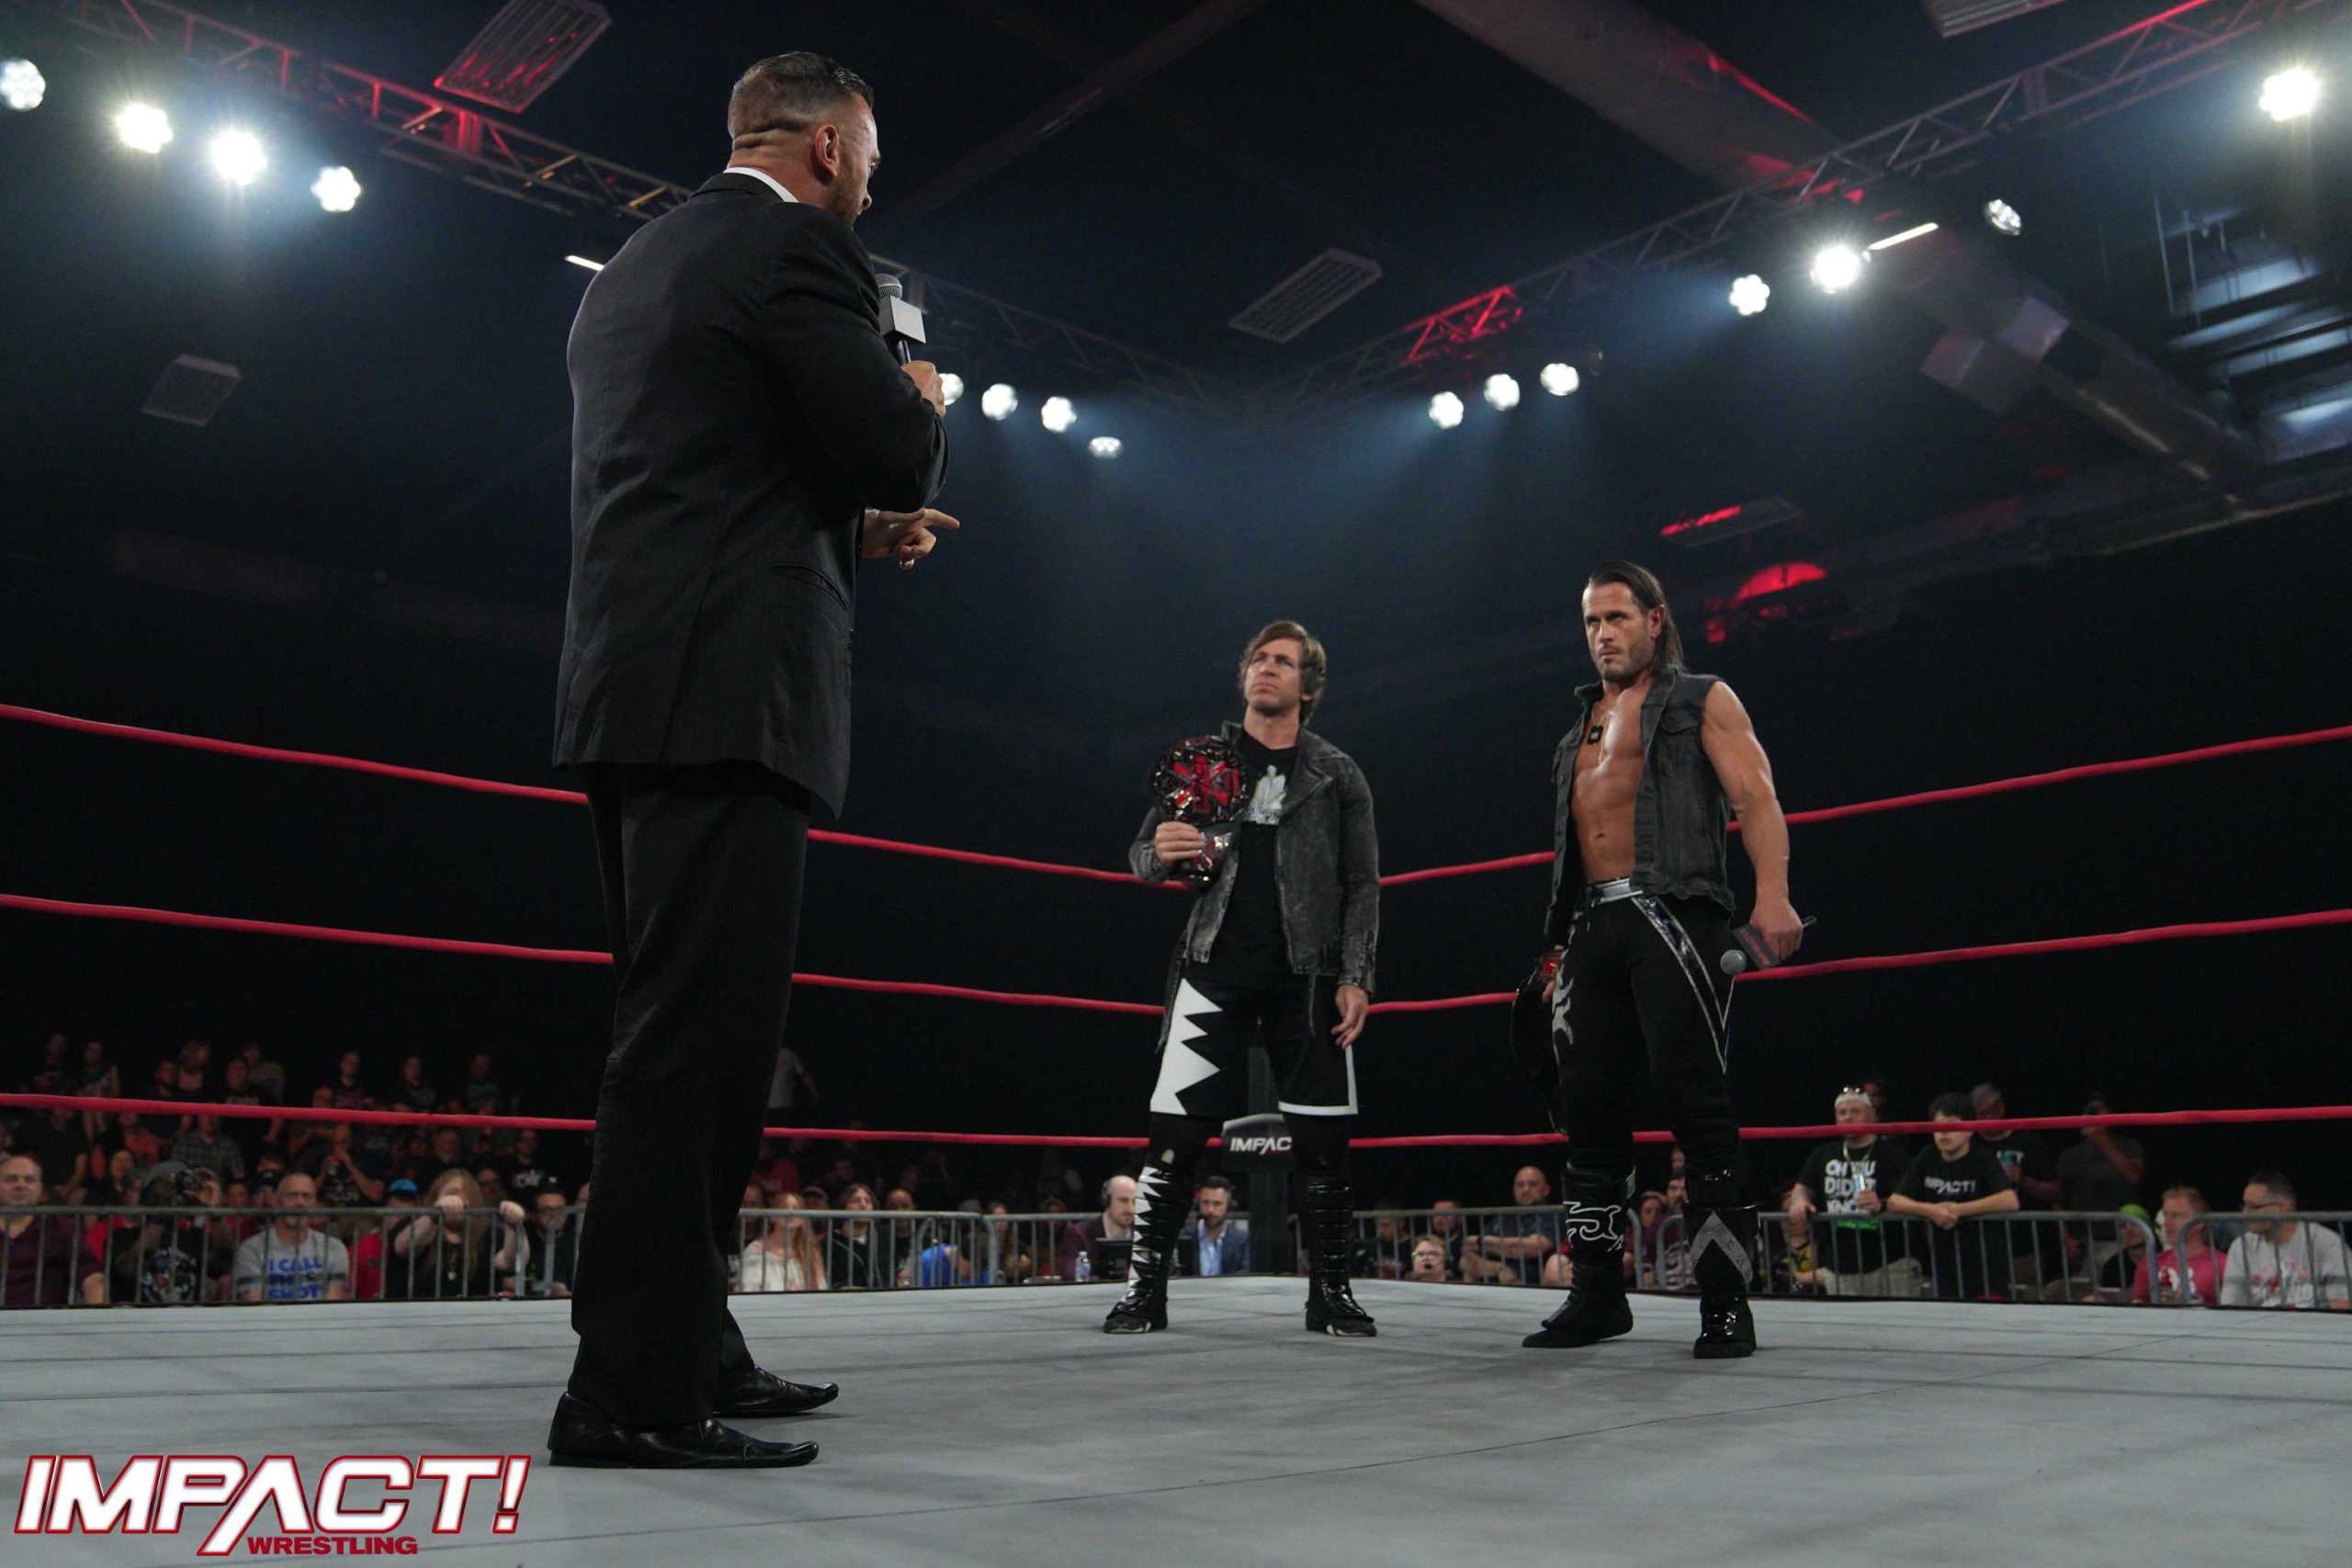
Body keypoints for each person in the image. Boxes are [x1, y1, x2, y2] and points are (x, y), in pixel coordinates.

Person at [548, 49, 952, 1472]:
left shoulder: (637, 265)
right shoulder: (801, 250)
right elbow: (896, 449)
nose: (870, 188)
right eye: (870, 160)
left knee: (699, 1041)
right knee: (693, 1049)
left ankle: (691, 1339)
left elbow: (708, 469)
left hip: (634, 685)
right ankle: (628, 1392)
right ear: (831, 147)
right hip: (726, 695)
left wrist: (846, 531)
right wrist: (925, 393)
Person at [1522, 562, 1802, 1359]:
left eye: (1616, 617)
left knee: (1696, 1103)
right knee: (1587, 1113)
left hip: (1673, 915)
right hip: (1591, 923)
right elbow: (1576, 847)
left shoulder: (1701, 699)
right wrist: (1556, 945)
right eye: (1591, 621)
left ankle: (1724, 1302)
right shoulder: (1578, 728)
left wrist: (1773, 897)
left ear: (1654, 619)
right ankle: (1597, 1295)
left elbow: (1756, 796)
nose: (1602, 634)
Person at [1108, 621, 1381, 1337]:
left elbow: (1362, 882)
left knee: (1323, 1143)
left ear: (1307, 685)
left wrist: (1357, 974)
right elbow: (1143, 852)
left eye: (1283, 661)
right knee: (1173, 1134)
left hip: (1310, 973)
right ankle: (1143, 1293)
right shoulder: (1204, 761)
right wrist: (1162, 851)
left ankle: (1331, 1293)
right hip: (1214, 965)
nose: (1266, 668)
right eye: (1259, 658)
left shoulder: (1337, 773)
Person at [1786, 1087, 1917, 1298]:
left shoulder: (1894, 1155)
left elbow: (1910, 1198)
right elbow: (1802, 1188)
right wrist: (1800, 1201)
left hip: (1889, 1263)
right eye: (1842, 1112)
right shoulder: (1823, 1154)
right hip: (1840, 1266)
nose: (1847, 1117)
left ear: (1872, 1116)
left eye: (1855, 1111)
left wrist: (1882, 1203)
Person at [1888, 1095, 2020, 1300]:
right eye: (1938, 1126)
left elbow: (2009, 1200)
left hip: (1985, 1266)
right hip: (1944, 1266)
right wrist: (1932, 1210)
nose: (1944, 1132)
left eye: (1952, 1126)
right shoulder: (1927, 1156)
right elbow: (1895, 1201)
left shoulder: (1982, 1157)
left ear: (1969, 1130)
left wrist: (1957, 1210)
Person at [2219, 1171, 2350, 1310]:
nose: (2244, 1214)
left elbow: (2343, 1304)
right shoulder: (2241, 1247)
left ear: (2281, 1207)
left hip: (2313, 1324)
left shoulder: (2324, 1242)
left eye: (2253, 1207)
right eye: (2244, 1206)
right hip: (2260, 1323)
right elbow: (2231, 1306)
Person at [232, 1171, 350, 1303]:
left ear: (314, 1203)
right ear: (277, 1201)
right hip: (269, 1317)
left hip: (318, 1317)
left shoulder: (334, 1248)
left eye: (307, 1196)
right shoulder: (251, 1249)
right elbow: (254, 1303)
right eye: (292, 1195)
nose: (300, 1203)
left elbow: (332, 1302)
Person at [1, 1152, 102, 1307]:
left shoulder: (61, 1227)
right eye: (11, 1179)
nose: (21, 1185)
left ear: (40, 1189)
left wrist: (99, 1314)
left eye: (29, 1180)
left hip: (46, 1319)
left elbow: (91, 1276)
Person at [1462, 1167, 1561, 1286]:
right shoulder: (1501, 1219)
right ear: (1514, 1190)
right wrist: (1499, 1268)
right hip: (1492, 1288)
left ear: (1546, 1190)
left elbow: (1533, 1248)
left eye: (1532, 1184)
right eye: (1520, 1185)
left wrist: (1481, 1242)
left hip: (1534, 1289)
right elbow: (1467, 1255)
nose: (1526, 1189)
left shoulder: (1554, 1216)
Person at [2132, 1185, 2223, 1306]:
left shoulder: (2222, 1264)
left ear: (2199, 1222)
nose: (2167, 1223)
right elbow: (2138, 1305)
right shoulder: (2149, 1263)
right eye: (2165, 1215)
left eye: (2176, 1216)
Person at [739, 1191, 827, 1293]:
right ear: (772, 1216)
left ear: (803, 1218)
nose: (790, 1213)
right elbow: (749, 1288)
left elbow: (820, 1287)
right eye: (784, 1207)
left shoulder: (809, 1250)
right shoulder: (755, 1251)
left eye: (796, 1208)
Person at [1061, 1175, 1137, 1283]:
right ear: (1106, 1200)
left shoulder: (1143, 1236)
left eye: (1134, 1202)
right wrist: (1109, 1280)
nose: (1131, 1209)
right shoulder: (1079, 1234)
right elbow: (1070, 1275)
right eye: (1123, 1201)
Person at [1175, 1175, 1248, 1279]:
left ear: (1229, 1205)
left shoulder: (1242, 1240)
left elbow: (1246, 1276)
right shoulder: (1183, 1237)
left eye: (1217, 1204)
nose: (1210, 1210)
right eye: (1205, 1203)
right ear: (1198, 1204)